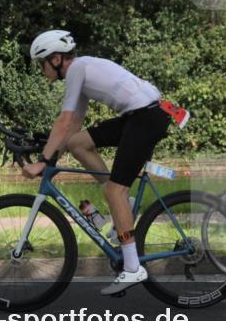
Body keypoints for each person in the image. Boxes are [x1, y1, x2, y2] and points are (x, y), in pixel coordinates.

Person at [22, 29, 172, 294]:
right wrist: (52, 159)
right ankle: (121, 204)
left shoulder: (78, 69)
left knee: (116, 189)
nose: (41, 70)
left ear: (56, 59)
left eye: (41, 64)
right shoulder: (81, 70)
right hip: (140, 115)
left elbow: (64, 120)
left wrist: (42, 160)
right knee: (78, 143)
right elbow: (72, 127)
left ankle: (133, 267)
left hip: (145, 117)